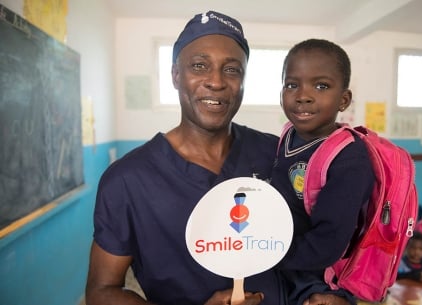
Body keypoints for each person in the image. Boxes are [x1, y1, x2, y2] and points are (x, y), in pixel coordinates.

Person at [85, 11, 347, 305]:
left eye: (232, 70)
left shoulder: (278, 156)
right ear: (175, 75)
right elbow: (101, 292)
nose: (216, 81)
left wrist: (327, 293)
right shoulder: (128, 180)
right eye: (199, 66)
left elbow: (315, 245)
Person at [271, 38, 375, 305]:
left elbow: (329, 242)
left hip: (319, 276)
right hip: (285, 257)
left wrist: (269, 254)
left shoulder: (348, 157)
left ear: (344, 100)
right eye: (292, 84)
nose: (303, 95)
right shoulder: (288, 135)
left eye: (321, 85)